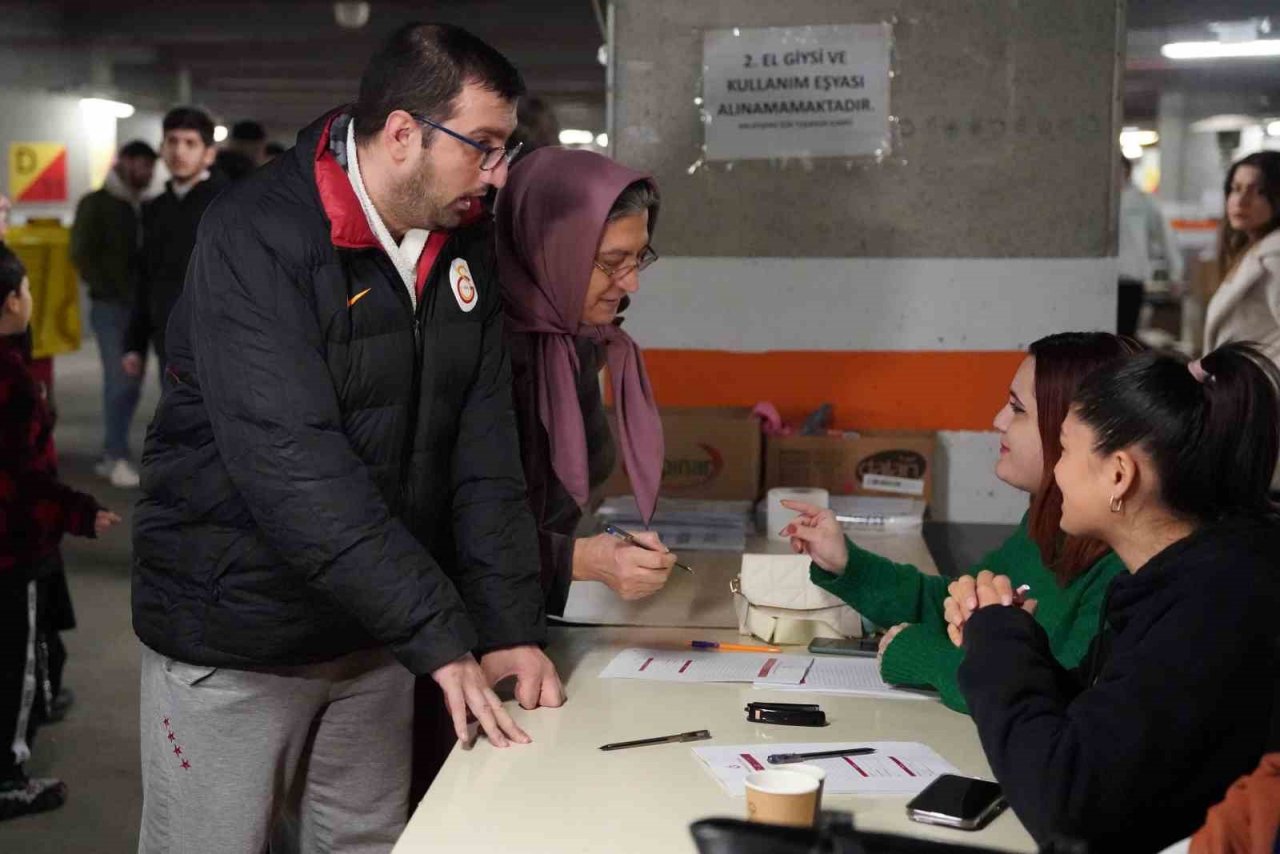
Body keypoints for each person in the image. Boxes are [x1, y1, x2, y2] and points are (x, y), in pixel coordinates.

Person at [132, 23, 563, 852]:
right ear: (404, 132)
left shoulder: (458, 238)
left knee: (366, 842)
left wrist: (507, 625)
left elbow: (483, 447)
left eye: (506, 149)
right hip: (240, 633)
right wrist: (439, 633)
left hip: (372, 638)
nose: (498, 172)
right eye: (483, 146)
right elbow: (296, 467)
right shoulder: (255, 236)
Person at [945, 343, 1280, 852]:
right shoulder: (1183, 580)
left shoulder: (1214, 608)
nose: (1055, 471)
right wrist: (1006, 637)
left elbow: (1068, 803)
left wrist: (998, 641)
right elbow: (1103, 730)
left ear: (1119, 475)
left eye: (1065, 449)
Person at [781, 333, 1136, 712]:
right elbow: (954, 606)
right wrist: (846, 563)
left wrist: (924, 656)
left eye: (1018, 409)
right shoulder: (1047, 522)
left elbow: (1047, 700)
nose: (998, 420)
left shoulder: (1120, 571)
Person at [496, 147, 674, 614]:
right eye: (612, 262)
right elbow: (447, 536)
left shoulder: (578, 344)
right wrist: (578, 560)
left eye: (639, 257)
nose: (631, 283)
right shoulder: (477, 355)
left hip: (525, 619)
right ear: (551, 253)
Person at [0, 243, 121, 820]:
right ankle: (7, 774)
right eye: (23, 292)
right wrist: (78, 512)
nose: (29, 300)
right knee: (14, 662)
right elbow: (27, 478)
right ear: (9, 305)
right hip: (12, 552)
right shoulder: (14, 385)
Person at [70, 139, 157, 489]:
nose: (145, 172)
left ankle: (116, 451)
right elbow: (81, 253)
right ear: (123, 164)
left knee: (132, 385)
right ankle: (114, 454)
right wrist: (111, 288)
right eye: (139, 165)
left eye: (149, 166)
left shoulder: (149, 206)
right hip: (111, 307)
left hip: (143, 307)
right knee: (120, 382)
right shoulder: (97, 203)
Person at [123, 106, 223, 380]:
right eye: (172, 142)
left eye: (190, 143)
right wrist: (134, 345)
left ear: (209, 153)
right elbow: (145, 278)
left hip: (219, 341)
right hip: (167, 338)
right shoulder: (155, 209)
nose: (179, 152)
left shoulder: (228, 205)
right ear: (162, 148)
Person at [1118, 155, 1183, 336]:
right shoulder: (1099, 201)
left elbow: (1165, 237)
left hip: (1131, 278)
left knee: (1125, 335)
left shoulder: (1143, 201)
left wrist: (1175, 274)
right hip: (1102, 278)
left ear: (1127, 171)